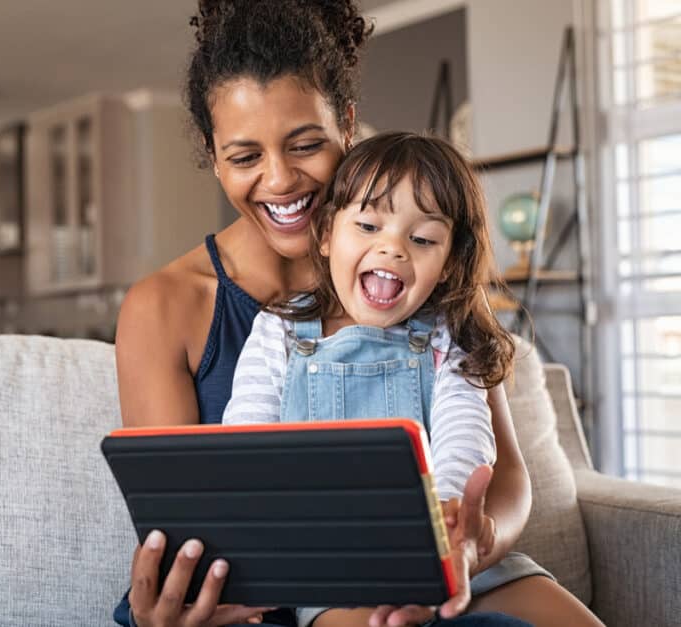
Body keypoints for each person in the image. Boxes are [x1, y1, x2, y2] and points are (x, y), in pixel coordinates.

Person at [114, 1, 599, 626]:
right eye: (243, 158)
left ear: (346, 121)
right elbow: (189, 518)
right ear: (212, 155)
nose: (280, 180)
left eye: (306, 144)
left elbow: (501, 474)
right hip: (288, 587)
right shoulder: (167, 306)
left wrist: (466, 548)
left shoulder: (421, 272)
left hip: (456, 566)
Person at [220, 131, 592, 627]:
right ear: (328, 234)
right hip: (340, 577)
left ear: (447, 264)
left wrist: (450, 519)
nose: (393, 248)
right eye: (369, 225)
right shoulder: (280, 330)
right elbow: (244, 443)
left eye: (421, 239)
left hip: (455, 560)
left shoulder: (448, 335)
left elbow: (466, 430)